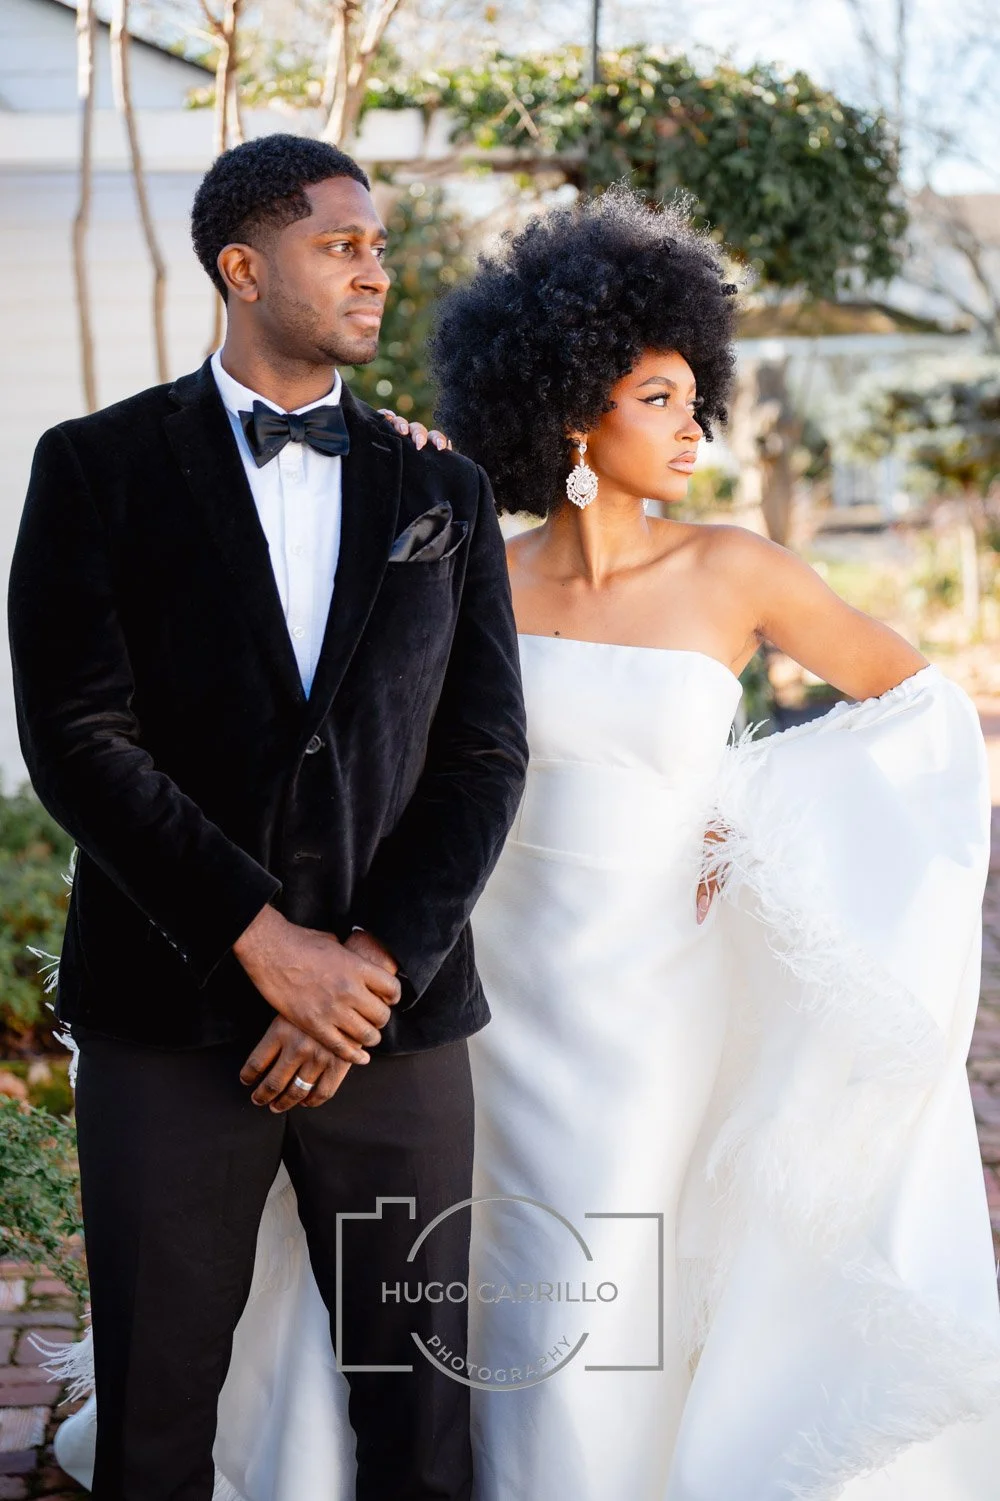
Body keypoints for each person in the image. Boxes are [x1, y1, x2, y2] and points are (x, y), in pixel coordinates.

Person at [417, 184, 1000, 1499]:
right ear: (571, 410)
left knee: (607, 1256)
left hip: (654, 993)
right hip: (487, 977)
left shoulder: (734, 569)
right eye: (660, 399)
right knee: (498, 1257)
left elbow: (917, 709)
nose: (697, 428)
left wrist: (754, 811)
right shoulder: (475, 578)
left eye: (697, 397)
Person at [7, 132, 527, 1501]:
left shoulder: (444, 489)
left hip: (392, 1023)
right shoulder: (94, 467)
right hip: (168, 1018)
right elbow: (77, 742)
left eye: (378, 246)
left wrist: (366, 964)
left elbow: (483, 752)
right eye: (339, 245)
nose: (375, 271)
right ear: (243, 268)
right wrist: (263, 942)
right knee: (159, 1416)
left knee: (423, 1416)